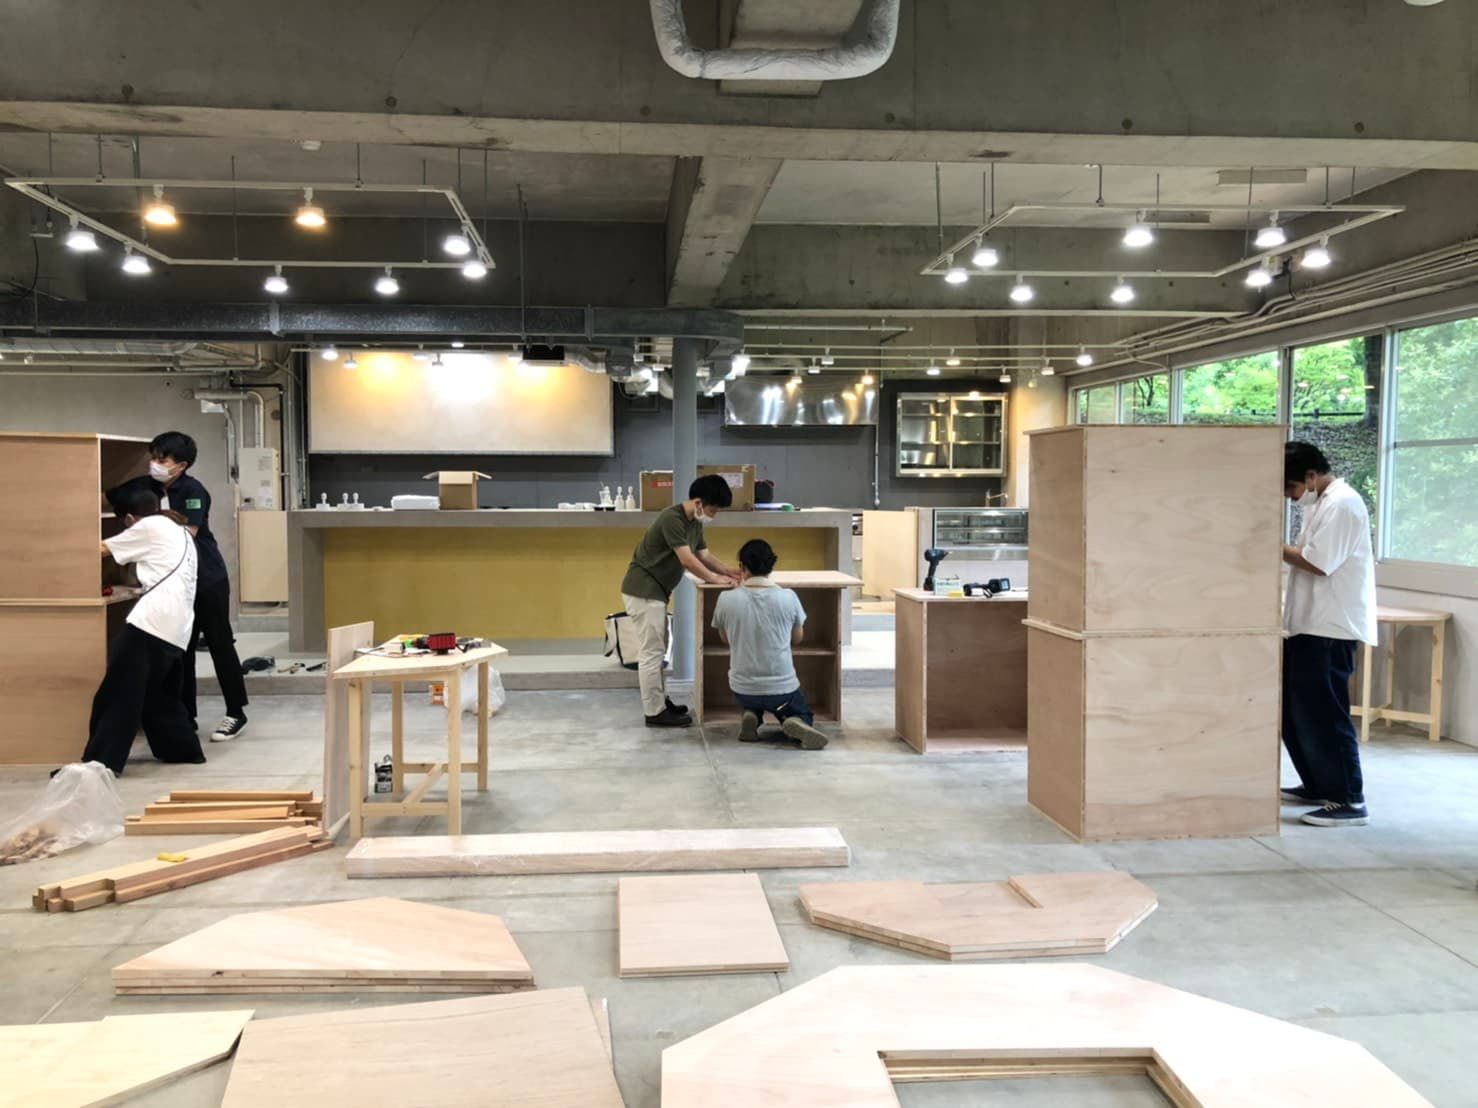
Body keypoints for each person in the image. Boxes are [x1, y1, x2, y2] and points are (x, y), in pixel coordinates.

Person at [108, 431, 249, 742]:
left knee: (219, 643)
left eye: (163, 459)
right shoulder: (148, 486)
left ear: (181, 465)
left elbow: (188, 533)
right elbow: (115, 495)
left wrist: (151, 521)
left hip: (206, 577)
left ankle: (236, 712)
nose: (155, 464)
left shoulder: (193, 490)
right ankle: (185, 715)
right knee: (180, 648)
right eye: (153, 457)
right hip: (175, 583)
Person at [1281, 441, 1377, 827]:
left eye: (1290, 487)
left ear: (1310, 476)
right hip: (1308, 625)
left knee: (1325, 715)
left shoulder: (1343, 504)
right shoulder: (1321, 503)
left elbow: (1319, 563)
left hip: (1330, 628)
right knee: (1297, 713)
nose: (1290, 497)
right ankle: (1319, 784)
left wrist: (1270, 545)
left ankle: (1349, 799)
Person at [81, 488, 207, 775]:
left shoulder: (149, 526)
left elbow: (99, 550)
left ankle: (100, 763)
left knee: (117, 693)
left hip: (152, 622)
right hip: (177, 626)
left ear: (129, 518)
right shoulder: (179, 530)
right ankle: (182, 750)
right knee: (159, 695)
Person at [620, 474, 739, 727]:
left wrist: (727, 571)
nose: (714, 515)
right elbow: (687, 560)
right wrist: (714, 579)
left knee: (659, 650)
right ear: (698, 503)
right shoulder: (672, 518)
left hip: (655, 591)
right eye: (713, 509)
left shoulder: (694, 523)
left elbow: (704, 555)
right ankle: (654, 712)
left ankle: (660, 703)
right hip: (643, 590)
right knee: (652, 653)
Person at [710, 538, 828, 751]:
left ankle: (752, 715)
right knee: (801, 712)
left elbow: (725, 639)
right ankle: (793, 720)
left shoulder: (726, 599)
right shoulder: (789, 597)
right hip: (782, 689)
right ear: (771, 566)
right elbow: (797, 639)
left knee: (753, 699)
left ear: (741, 567)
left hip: (742, 688)